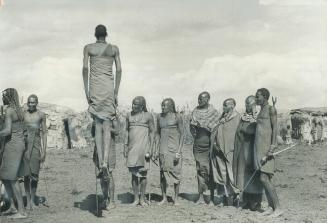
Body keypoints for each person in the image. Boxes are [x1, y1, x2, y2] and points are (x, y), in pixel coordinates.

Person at [82, 24, 122, 179]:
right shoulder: (114, 49)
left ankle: (100, 163)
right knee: (107, 125)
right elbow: (119, 70)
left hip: (95, 89)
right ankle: (105, 161)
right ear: (106, 34)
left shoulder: (88, 48)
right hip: (108, 90)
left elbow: (85, 69)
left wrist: (87, 91)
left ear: (95, 34)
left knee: (98, 126)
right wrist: (116, 92)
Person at [254, 88, 283, 217]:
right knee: (263, 178)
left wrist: (272, 148)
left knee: (265, 178)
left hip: (267, 150)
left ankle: (278, 208)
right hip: (259, 150)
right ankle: (271, 207)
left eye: (258, 97)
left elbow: (275, 129)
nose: (256, 99)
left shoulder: (271, 109)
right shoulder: (261, 110)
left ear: (265, 97)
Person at [0, 88, 27, 218]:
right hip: (18, 144)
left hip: (12, 146)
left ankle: (22, 211)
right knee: (5, 177)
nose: (2, 98)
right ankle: (11, 207)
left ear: (9, 97)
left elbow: (7, 131)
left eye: (4, 96)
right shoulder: (20, 110)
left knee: (12, 178)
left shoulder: (9, 110)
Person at [190, 92, 220, 204]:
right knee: (199, 170)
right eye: (198, 98)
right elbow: (191, 129)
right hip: (198, 145)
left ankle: (212, 198)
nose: (199, 100)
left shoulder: (214, 113)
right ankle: (201, 196)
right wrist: (196, 128)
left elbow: (216, 130)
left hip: (210, 146)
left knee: (210, 171)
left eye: (201, 99)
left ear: (207, 99)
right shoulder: (195, 111)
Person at [233, 96, 262, 210]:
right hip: (243, 149)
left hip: (254, 150)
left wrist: (247, 130)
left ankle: (256, 202)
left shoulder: (259, 117)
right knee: (244, 175)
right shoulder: (244, 116)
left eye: (249, 104)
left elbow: (259, 132)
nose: (247, 107)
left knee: (255, 175)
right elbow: (240, 130)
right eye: (246, 104)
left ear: (254, 104)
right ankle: (246, 200)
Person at [124, 96, 154, 206]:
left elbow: (152, 132)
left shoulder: (148, 116)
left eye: (136, 104)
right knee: (133, 174)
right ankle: (136, 199)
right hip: (132, 149)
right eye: (132, 103)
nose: (133, 106)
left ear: (142, 106)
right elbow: (126, 130)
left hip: (144, 149)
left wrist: (151, 149)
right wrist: (125, 145)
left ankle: (142, 198)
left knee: (143, 174)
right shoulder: (128, 115)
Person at [211, 98, 240, 206]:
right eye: (223, 105)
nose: (223, 107)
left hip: (231, 151)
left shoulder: (238, 118)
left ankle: (235, 198)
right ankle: (224, 198)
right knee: (221, 175)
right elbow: (214, 131)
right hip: (219, 151)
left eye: (225, 105)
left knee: (232, 175)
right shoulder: (221, 117)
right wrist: (214, 144)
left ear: (232, 106)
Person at [155, 98, 184, 205]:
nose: (162, 107)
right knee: (162, 173)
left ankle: (176, 198)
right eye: (161, 105)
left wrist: (178, 152)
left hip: (174, 149)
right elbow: (157, 133)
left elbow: (182, 134)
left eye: (164, 106)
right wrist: (155, 149)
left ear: (171, 106)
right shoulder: (159, 117)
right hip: (162, 150)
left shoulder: (178, 117)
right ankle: (164, 198)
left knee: (176, 173)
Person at [23, 94, 47, 210]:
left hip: (37, 146)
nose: (31, 104)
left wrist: (44, 151)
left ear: (37, 103)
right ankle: (27, 201)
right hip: (25, 146)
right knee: (26, 175)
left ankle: (33, 200)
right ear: (27, 103)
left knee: (35, 175)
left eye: (33, 102)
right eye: (29, 102)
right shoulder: (23, 114)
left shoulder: (41, 115)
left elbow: (44, 133)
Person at [92, 119, 118, 210]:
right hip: (98, 149)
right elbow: (92, 133)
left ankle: (112, 201)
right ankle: (105, 198)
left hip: (109, 149)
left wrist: (108, 128)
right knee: (101, 174)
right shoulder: (96, 118)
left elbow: (117, 131)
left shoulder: (112, 117)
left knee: (109, 174)